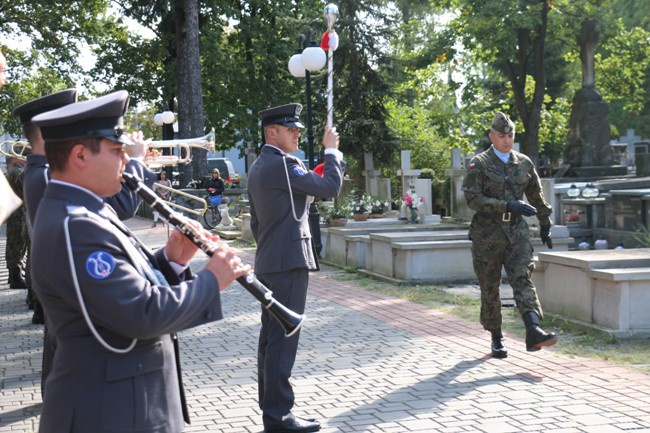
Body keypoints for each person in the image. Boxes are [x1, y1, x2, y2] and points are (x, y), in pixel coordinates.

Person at [30, 89, 251, 433]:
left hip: (123, 404)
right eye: (117, 151)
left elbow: (122, 289)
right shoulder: (75, 224)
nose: (127, 160)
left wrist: (170, 261)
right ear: (80, 156)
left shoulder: (88, 209)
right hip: (110, 411)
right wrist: (213, 278)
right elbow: (142, 314)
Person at [12, 89, 158, 392]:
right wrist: (135, 163)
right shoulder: (47, 174)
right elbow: (120, 207)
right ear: (48, 131)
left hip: (59, 273)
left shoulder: (41, 171)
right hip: (68, 273)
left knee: (60, 351)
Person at [247, 103, 343, 433]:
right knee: (283, 340)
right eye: (290, 129)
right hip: (288, 262)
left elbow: (258, 224)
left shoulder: (260, 165)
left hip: (271, 261)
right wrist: (333, 153)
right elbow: (330, 188)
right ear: (271, 133)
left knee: (271, 339)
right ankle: (279, 416)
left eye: (296, 128)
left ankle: (271, 409)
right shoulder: (284, 164)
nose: (297, 133)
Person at [462, 111, 557, 359]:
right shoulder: (479, 164)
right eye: (502, 136)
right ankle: (496, 337)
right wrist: (508, 205)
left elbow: (537, 195)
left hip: (516, 232)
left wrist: (545, 222)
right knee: (490, 286)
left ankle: (533, 330)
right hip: (487, 234)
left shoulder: (524, 163)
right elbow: (473, 199)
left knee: (522, 278)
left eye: (510, 135)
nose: (507, 140)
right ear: (491, 136)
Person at [4, 155, 28, 289]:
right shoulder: (17, 172)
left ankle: (13, 276)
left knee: (13, 245)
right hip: (18, 214)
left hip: (14, 213)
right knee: (18, 247)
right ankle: (15, 277)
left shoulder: (12, 171)